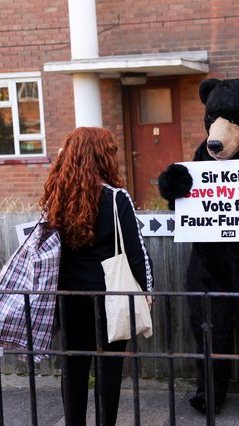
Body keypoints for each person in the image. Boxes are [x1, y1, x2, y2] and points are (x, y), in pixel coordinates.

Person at [40, 126, 154, 425]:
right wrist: (146, 290)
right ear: (102, 157)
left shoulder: (56, 197)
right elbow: (136, 251)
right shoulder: (116, 198)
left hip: (68, 298)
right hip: (110, 299)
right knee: (109, 369)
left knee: (74, 367)